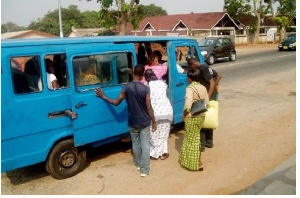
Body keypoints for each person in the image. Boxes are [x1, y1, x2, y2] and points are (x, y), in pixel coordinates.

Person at [95, 64, 157, 177]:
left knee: (136, 144)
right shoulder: (146, 88)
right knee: (145, 145)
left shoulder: (127, 87)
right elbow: (149, 107)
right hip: (145, 121)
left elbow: (116, 102)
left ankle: (138, 164)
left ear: (133, 72)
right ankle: (144, 170)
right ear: (143, 74)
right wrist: (154, 121)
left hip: (133, 122)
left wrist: (103, 96)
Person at [187, 58, 222, 152]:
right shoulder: (206, 66)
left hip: (208, 98)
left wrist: (207, 97)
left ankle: (202, 145)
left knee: (202, 119)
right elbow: (218, 76)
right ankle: (209, 142)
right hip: (213, 97)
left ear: (192, 65)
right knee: (209, 119)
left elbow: (212, 82)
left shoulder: (203, 69)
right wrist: (214, 88)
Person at [180, 68, 209, 171]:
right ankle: (196, 161)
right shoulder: (203, 87)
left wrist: (184, 114)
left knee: (192, 140)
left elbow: (188, 105)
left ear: (189, 78)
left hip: (192, 116)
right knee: (196, 137)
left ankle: (196, 163)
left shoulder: (190, 89)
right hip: (201, 115)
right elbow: (207, 102)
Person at [144, 69, 173, 160]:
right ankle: (164, 152)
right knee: (164, 133)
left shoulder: (146, 85)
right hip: (167, 110)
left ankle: (155, 153)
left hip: (155, 112)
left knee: (154, 133)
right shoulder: (163, 83)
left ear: (146, 78)